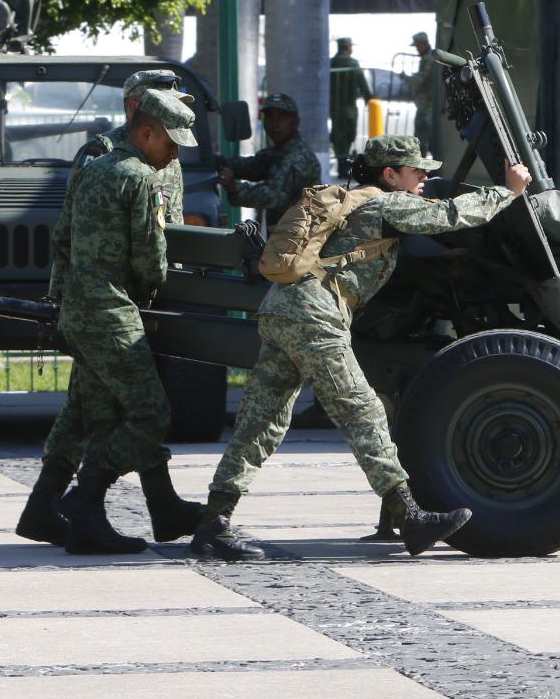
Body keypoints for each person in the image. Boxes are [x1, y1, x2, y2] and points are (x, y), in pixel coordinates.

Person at [191, 136, 532, 561]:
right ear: (390, 175)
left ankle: (213, 524)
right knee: (362, 410)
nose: (424, 177)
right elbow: (449, 215)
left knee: (261, 420)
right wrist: (508, 190)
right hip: (314, 315)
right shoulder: (384, 204)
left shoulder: (356, 203)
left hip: (282, 309)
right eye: (416, 170)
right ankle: (410, 518)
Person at [16, 69, 196, 546]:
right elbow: (134, 250)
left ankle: (138, 509)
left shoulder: (138, 160)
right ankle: (84, 499)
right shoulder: (110, 158)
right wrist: (61, 299)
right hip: (115, 305)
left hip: (110, 306)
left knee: (89, 410)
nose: (177, 144)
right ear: (143, 116)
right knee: (138, 411)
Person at [217, 93, 322, 227]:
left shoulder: (298, 158)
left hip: (300, 240)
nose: (275, 123)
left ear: (296, 122)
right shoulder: (278, 152)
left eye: (283, 116)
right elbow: (253, 166)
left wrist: (234, 187)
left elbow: (272, 195)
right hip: (284, 237)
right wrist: (218, 162)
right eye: (270, 117)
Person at [329, 38, 373, 173]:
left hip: (334, 106)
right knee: (349, 134)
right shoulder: (352, 63)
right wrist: (369, 98)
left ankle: (341, 162)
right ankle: (344, 163)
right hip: (349, 106)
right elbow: (362, 82)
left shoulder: (331, 63)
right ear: (347, 47)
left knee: (338, 134)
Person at [410, 32, 435, 157]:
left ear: (425, 44)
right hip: (424, 105)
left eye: (418, 46)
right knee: (422, 139)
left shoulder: (429, 58)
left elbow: (419, 80)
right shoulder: (428, 58)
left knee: (424, 139)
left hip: (427, 106)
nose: (417, 49)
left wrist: (406, 78)